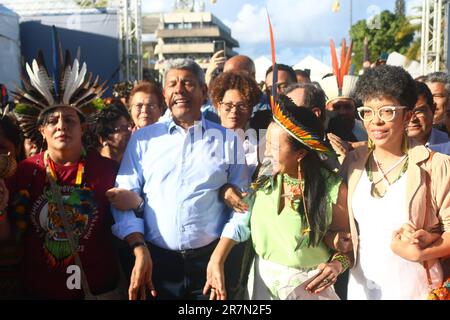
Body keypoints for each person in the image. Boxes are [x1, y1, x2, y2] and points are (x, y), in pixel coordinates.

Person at [109, 58, 250, 300]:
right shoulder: (143, 140)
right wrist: (139, 248)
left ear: (204, 92)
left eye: (188, 83)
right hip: (156, 264)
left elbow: (244, 207)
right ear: (165, 94)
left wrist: (218, 258)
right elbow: (122, 200)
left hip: (210, 266)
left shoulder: (228, 140)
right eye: (172, 84)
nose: (179, 90)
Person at [203, 95, 352, 300]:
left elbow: (348, 248)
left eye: (274, 147)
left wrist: (337, 265)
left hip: (309, 288)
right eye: (267, 143)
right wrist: (226, 190)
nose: (266, 152)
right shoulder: (265, 176)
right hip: (262, 283)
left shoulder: (333, 189)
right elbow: (242, 217)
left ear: (300, 154)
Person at [1, 46, 121, 299]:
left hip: (97, 291)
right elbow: (7, 235)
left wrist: (137, 204)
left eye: (69, 120)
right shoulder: (24, 171)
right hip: (38, 291)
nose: (61, 126)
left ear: (83, 127)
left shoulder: (109, 171)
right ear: (42, 130)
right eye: (53, 120)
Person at [342, 65, 450, 300]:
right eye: (367, 112)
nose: (375, 121)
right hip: (362, 290)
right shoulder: (353, 164)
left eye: (387, 111)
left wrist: (421, 251)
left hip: (417, 291)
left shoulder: (435, 166)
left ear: (408, 115)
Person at [209, 72, 262, 175]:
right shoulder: (206, 143)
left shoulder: (261, 147)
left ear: (250, 110)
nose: (234, 111)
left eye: (241, 106)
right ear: (218, 108)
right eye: (228, 105)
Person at [407, 81, 450, 155]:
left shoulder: (447, 144)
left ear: (433, 109)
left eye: (419, 111)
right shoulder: (387, 146)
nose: (412, 119)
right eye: (406, 112)